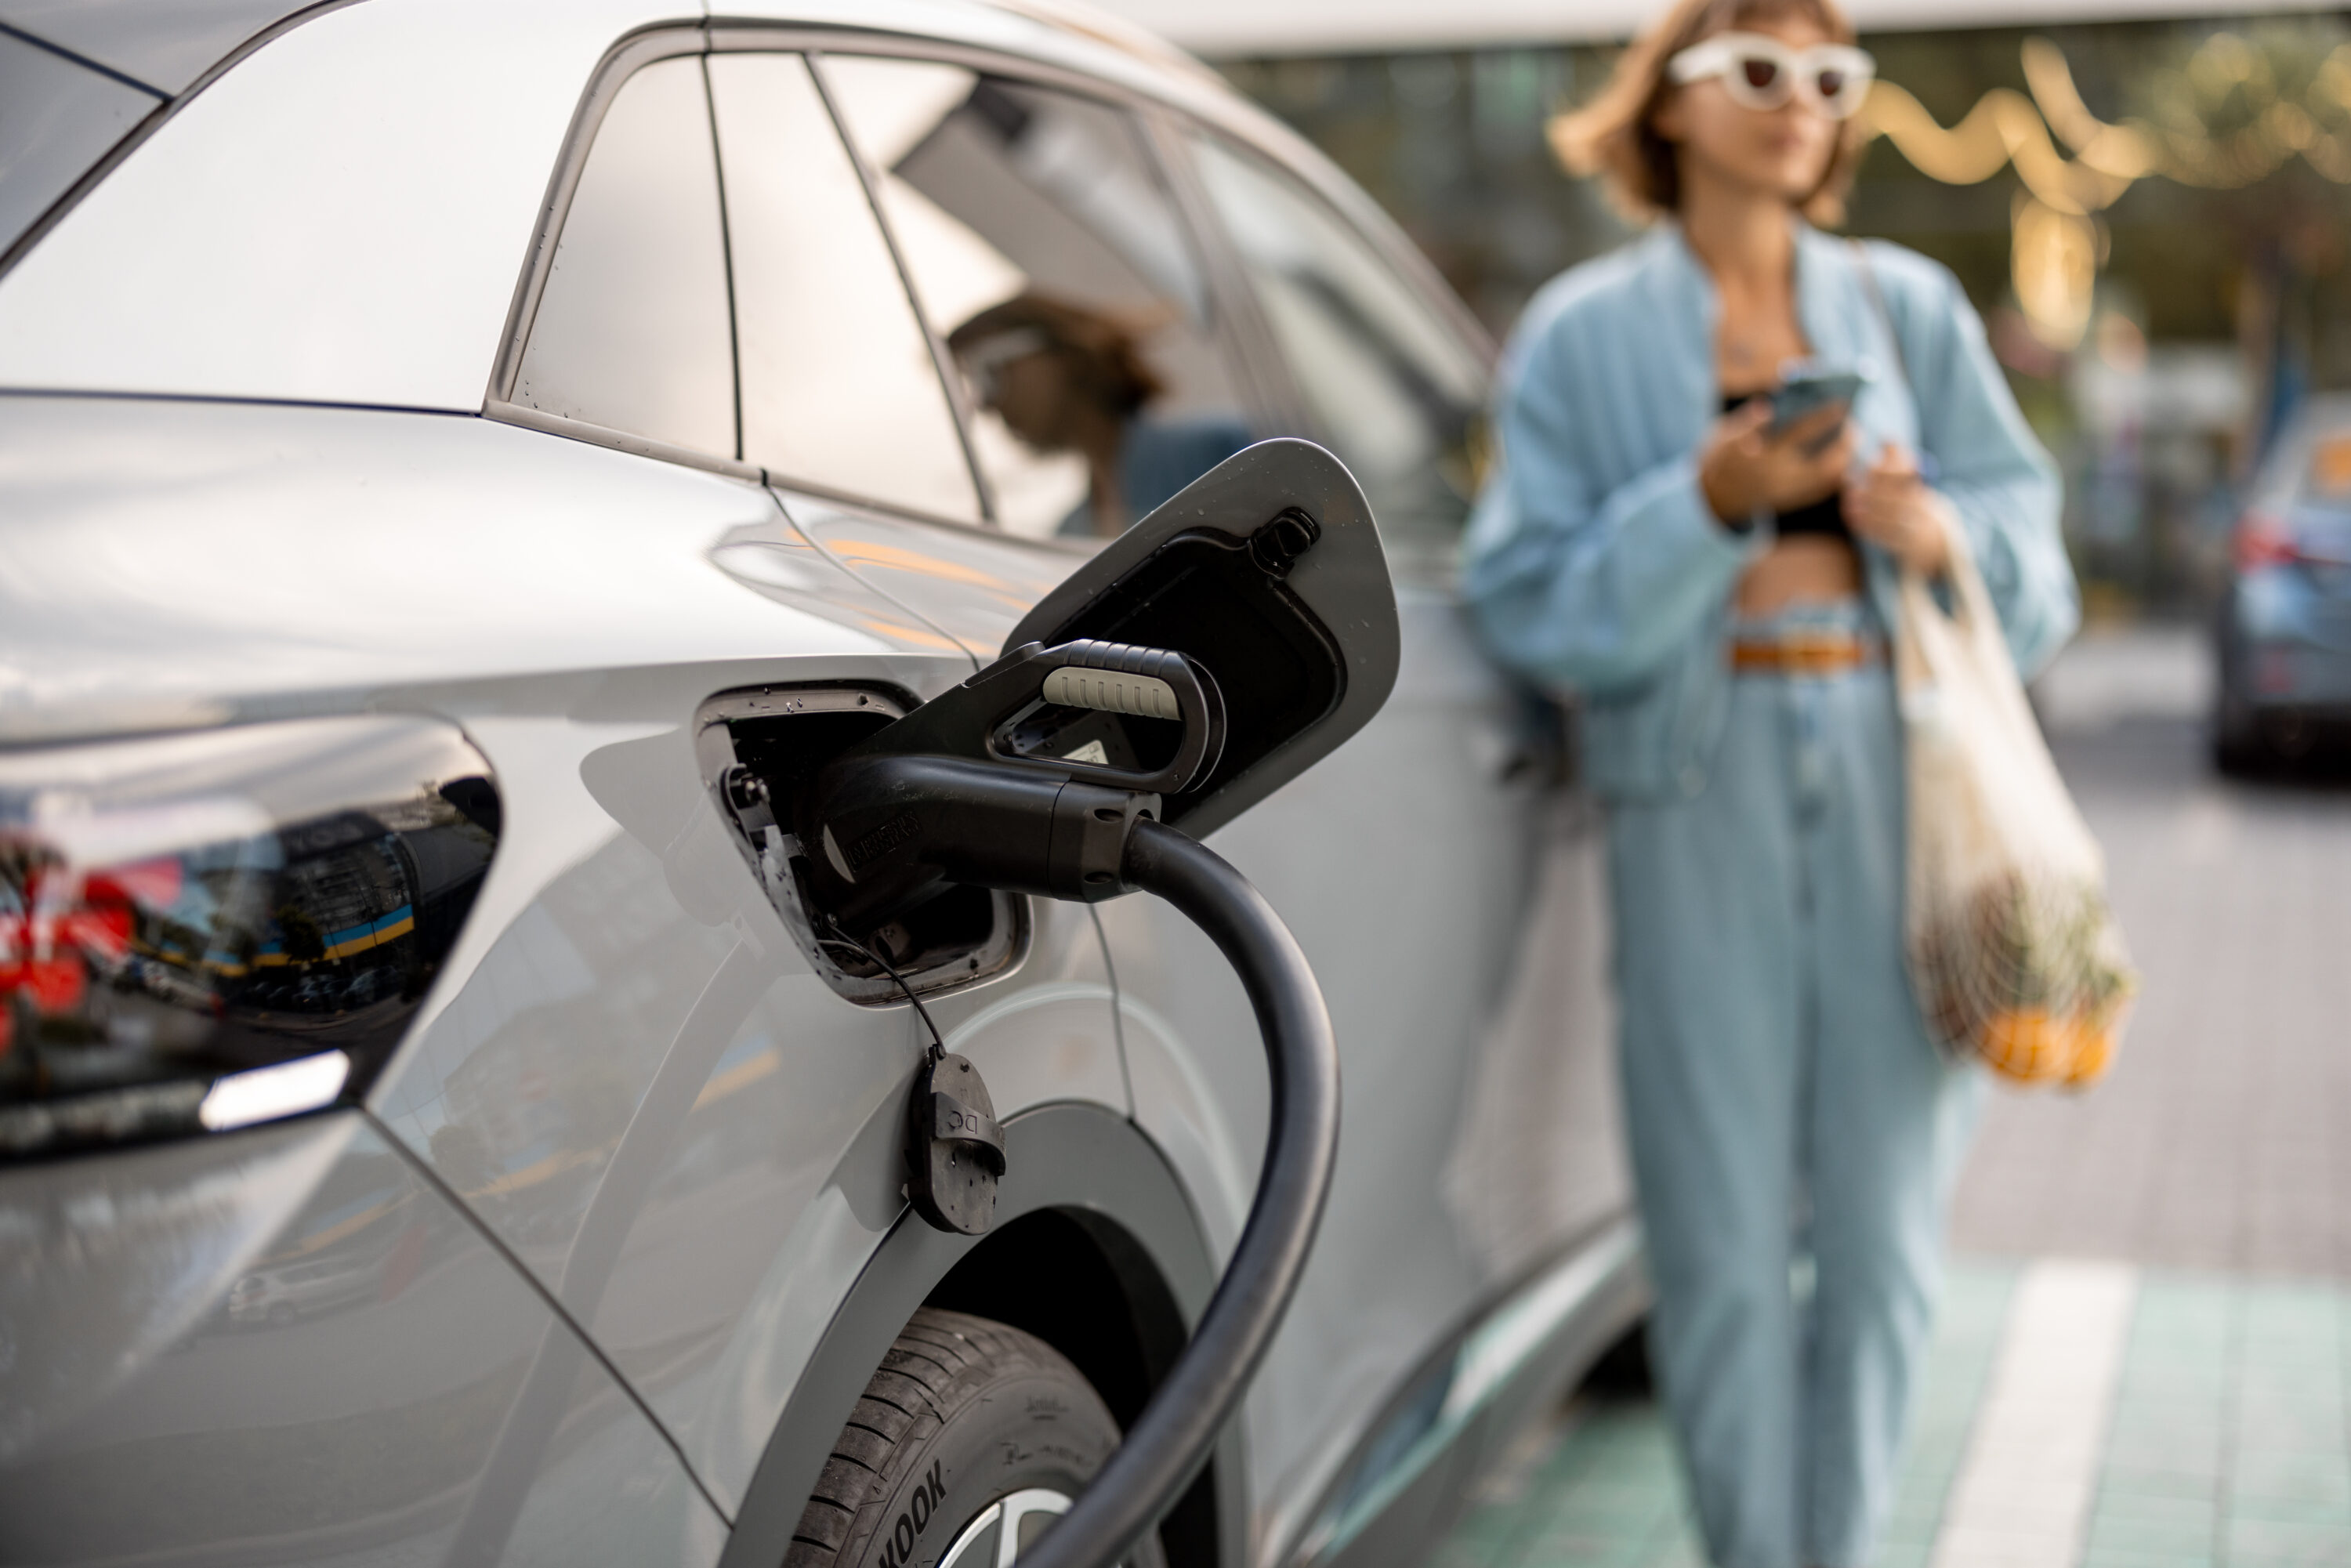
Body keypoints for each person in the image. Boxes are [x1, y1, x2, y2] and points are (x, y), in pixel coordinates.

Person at [1460, 2, 2078, 1565]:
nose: (1798, 99)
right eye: (1756, 68)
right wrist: (1706, 501)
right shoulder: (1585, 333)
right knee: (1715, 1242)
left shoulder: (1908, 306)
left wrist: (1942, 535)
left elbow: (2036, 566)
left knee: (1885, 1246)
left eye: (1827, 75)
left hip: (1898, 778)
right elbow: (1526, 596)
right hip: (1694, 787)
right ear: (1667, 104)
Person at [947, 294, 1252, 538]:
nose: (986, 404)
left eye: (988, 371)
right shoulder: (1070, 532)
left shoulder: (1229, 452)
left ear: (1055, 353)